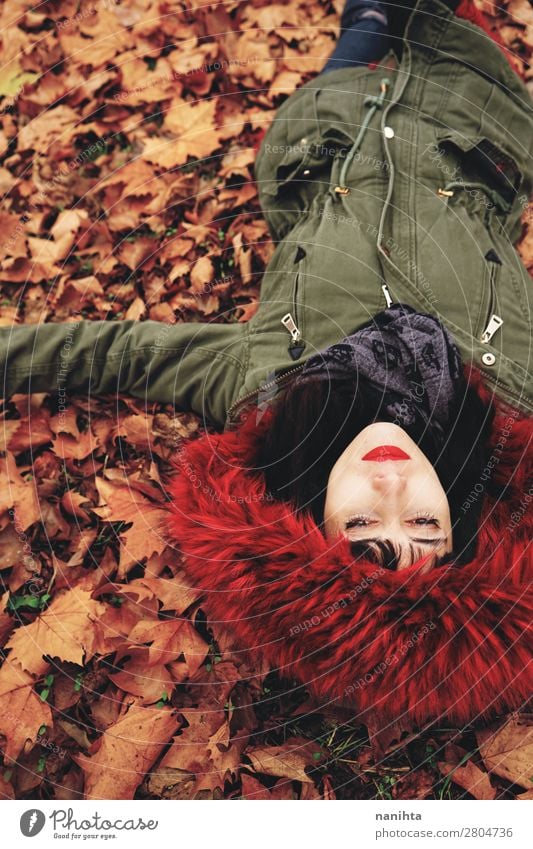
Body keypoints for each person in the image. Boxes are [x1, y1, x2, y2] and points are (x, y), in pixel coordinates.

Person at [1, 0, 531, 724]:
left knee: (371, 16)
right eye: (424, 527)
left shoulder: (270, 393)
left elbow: (112, 353)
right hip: (473, 117)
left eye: (364, 531)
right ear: (458, 522)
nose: (391, 486)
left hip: (330, 127)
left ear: (315, 518)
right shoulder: (512, 397)